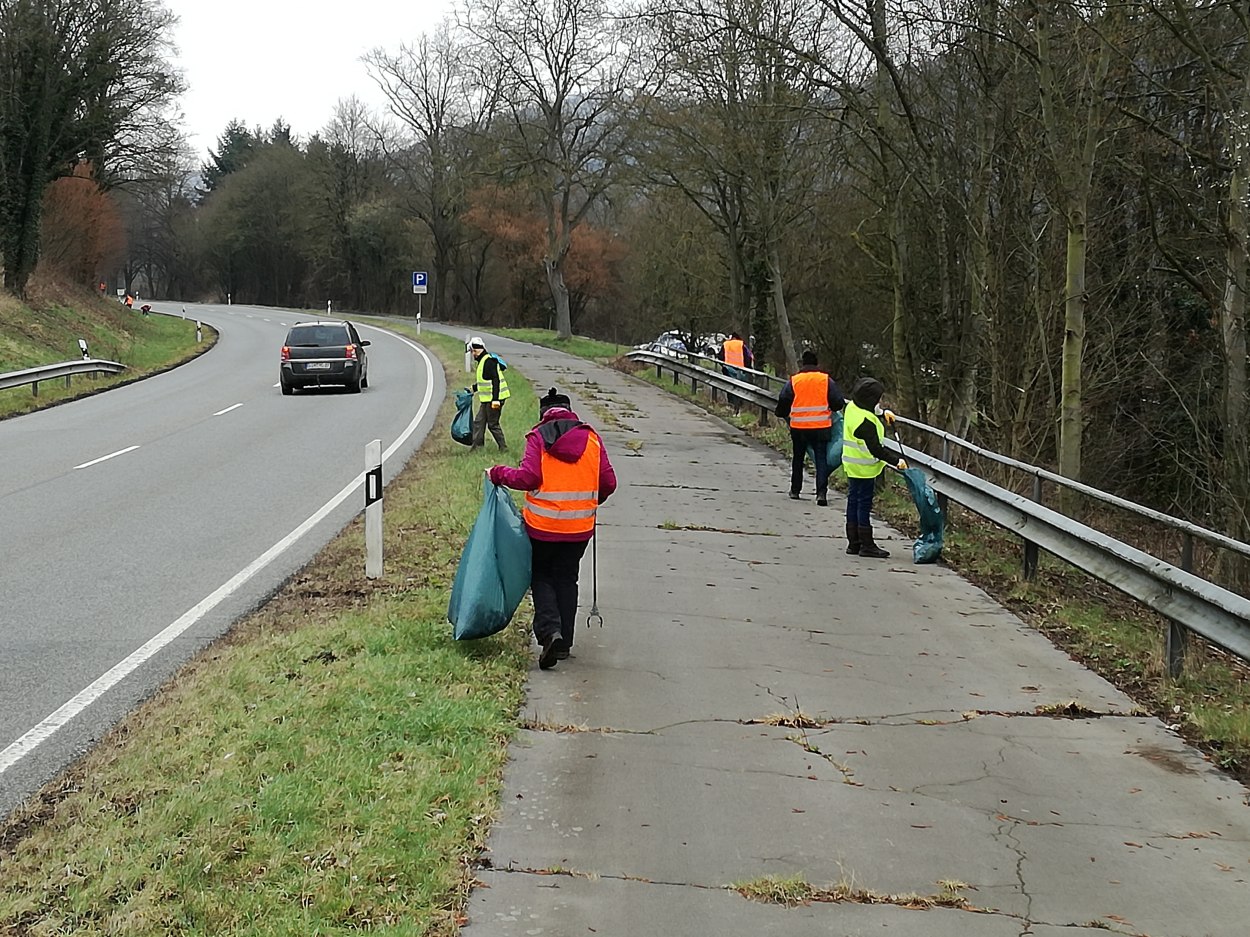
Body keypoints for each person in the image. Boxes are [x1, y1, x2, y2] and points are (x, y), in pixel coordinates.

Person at [489, 387, 617, 670]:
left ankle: (550, 633)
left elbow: (529, 477)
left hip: (542, 527)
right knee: (567, 578)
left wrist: (498, 473)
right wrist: (590, 501)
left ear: (543, 413)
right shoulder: (592, 439)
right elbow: (608, 483)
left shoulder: (538, 437)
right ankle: (565, 642)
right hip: (579, 528)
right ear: (570, 412)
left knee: (542, 576)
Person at [842, 376, 907, 558]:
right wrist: (897, 461)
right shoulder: (866, 424)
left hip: (852, 464)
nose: (880, 401)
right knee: (863, 504)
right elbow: (877, 450)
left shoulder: (852, 408)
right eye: (878, 399)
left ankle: (853, 543)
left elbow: (867, 411)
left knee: (853, 501)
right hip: (864, 469)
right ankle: (866, 544)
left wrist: (882, 412)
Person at [775, 349, 846, 505]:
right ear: (816, 363)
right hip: (821, 427)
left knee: (798, 458)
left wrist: (783, 413)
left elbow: (784, 400)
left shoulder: (794, 381)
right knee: (821, 460)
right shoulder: (825, 380)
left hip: (798, 427)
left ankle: (795, 490)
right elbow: (838, 403)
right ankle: (821, 494)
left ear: (803, 363)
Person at [469, 336, 510, 450]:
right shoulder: (483, 361)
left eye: (474, 351)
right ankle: (477, 447)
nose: (473, 355)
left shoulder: (488, 362)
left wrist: (495, 399)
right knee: (479, 422)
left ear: (478, 350)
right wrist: (473, 388)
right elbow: (485, 381)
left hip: (495, 398)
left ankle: (503, 447)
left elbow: (495, 380)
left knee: (492, 424)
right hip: (487, 399)